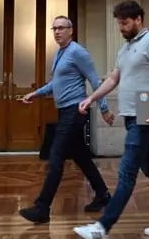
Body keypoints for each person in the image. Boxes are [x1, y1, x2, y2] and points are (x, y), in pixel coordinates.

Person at [73, 0, 149, 238]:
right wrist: (91, 98)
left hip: (145, 118)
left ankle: (102, 227)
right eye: (119, 24)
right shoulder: (124, 50)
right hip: (131, 116)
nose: (121, 28)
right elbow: (113, 79)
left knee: (127, 171)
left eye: (124, 23)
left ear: (138, 20)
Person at [18, 15, 115, 225]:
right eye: (54, 28)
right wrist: (36, 93)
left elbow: (95, 80)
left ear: (71, 30)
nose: (57, 32)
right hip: (64, 112)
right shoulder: (60, 54)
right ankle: (103, 195)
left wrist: (104, 109)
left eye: (61, 28)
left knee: (56, 158)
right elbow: (57, 83)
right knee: (81, 156)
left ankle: (42, 208)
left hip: (75, 111)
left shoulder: (78, 52)